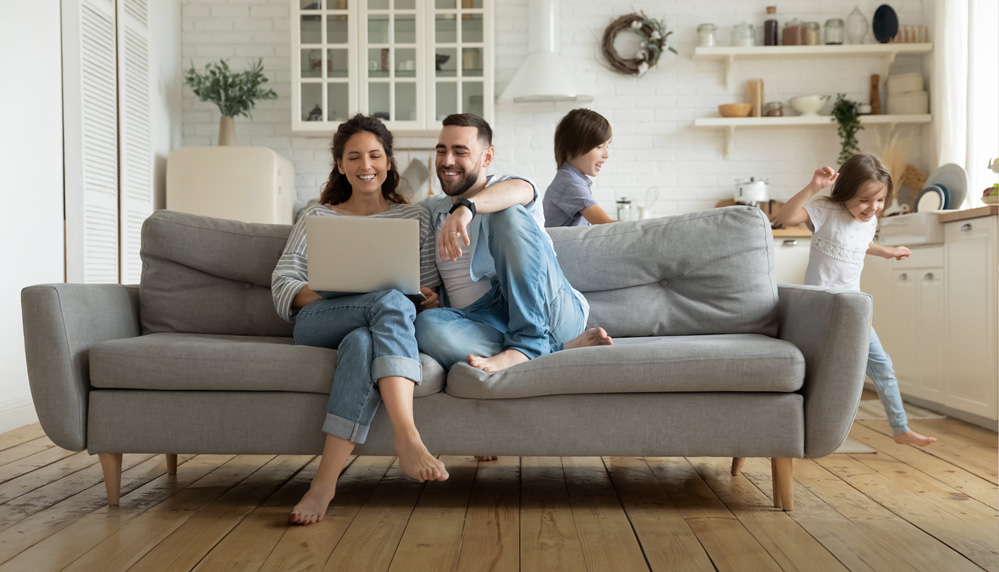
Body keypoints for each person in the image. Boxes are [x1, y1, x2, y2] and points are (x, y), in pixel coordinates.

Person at [271, 114, 448, 526]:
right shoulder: (318, 218)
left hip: (374, 327)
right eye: (354, 157)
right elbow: (283, 280)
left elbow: (426, 286)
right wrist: (335, 291)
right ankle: (408, 437)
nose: (365, 164)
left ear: (388, 162)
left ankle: (324, 484)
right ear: (340, 165)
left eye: (374, 155)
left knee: (363, 344)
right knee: (386, 300)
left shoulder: (415, 218)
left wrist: (430, 297)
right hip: (320, 319)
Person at [415, 113, 613, 375]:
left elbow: (521, 190)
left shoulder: (507, 187)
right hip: (485, 319)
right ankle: (554, 349)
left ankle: (527, 342)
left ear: (487, 157)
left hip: (549, 308)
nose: (447, 160)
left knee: (506, 211)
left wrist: (468, 208)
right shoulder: (430, 210)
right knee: (425, 326)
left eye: (460, 151)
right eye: (442, 151)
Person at [773, 154, 936, 447]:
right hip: (820, 309)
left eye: (880, 201)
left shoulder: (869, 222)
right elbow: (784, 219)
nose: (872, 208)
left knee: (882, 366)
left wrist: (885, 250)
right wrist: (813, 186)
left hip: (853, 309)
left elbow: (857, 243)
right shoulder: (825, 210)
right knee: (813, 372)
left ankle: (900, 428)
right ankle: (794, 429)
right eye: (864, 200)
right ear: (845, 192)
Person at [543, 108, 617, 227]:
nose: (606, 154)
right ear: (573, 147)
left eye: (607, 146)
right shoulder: (569, 183)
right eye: (599, 146)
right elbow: (606, 225)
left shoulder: (573, 180)